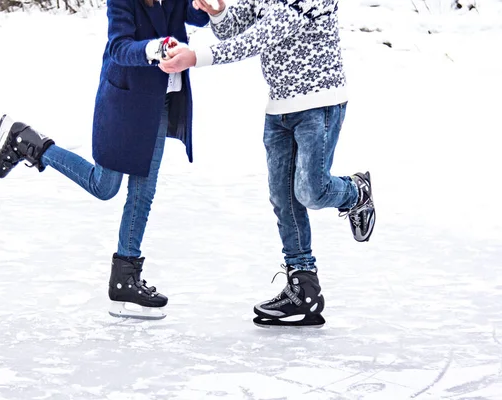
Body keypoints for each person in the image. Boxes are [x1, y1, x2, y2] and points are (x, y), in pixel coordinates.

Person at [0, 0, 209, 320]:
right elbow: (119, 47)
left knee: (143, 191)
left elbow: (196, 16)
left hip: (159, 102)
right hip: (124, 101)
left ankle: (125, 281)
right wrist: (155, 48)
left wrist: (212, 7)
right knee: (104, 186)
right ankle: (30, 143)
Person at [159, 0, 376, 327]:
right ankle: (303, 286)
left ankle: (355, 191)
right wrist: (218, 13)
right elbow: (235, 29)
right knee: (283, 199)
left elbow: (262, 35)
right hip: (279, 109)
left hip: (320, 102)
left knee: (311, 192)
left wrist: (197, 57)